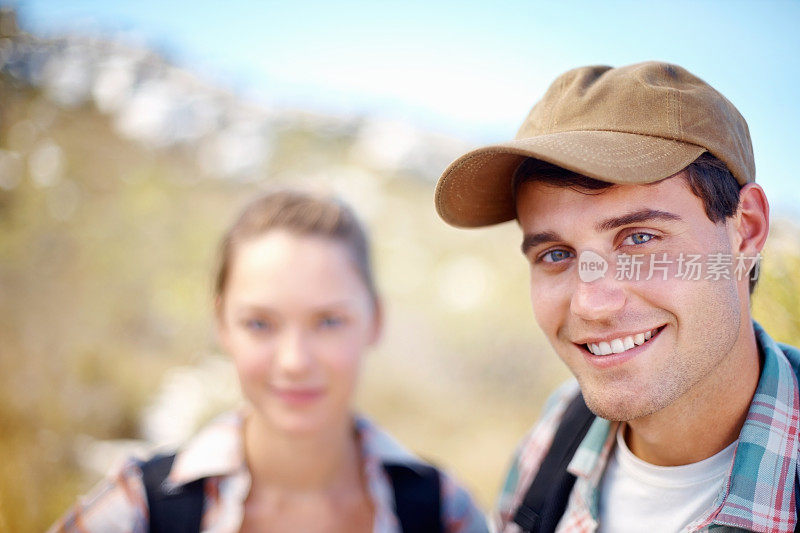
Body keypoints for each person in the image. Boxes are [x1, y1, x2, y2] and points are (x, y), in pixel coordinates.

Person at [435, 61, 800, 532]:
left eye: (640, 239)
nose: (591, 303)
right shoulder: (556, 436)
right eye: (556, 254)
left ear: (746, 231)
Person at [51, 190, 488, 533]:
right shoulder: (140, 507)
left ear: (375, 321)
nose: (295, 361)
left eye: (329, 321)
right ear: (222, 324)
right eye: (260, 323)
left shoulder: (442, 510)